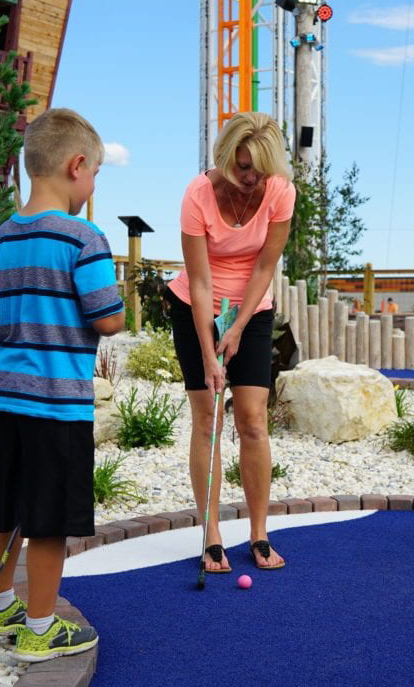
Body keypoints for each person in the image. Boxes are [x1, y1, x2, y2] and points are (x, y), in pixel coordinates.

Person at [0, 108, 123, 662]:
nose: (92, 188)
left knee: (7, 504)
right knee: (49, 518)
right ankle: (40, 627)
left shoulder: (2, 236)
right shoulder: (84, 237)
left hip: (7, 395)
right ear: (76, 165)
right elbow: (106, 317)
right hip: (58, 401)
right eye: (96, 176)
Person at [165, 111, 294, 573]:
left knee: (253, 420)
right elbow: (199, 282)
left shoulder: (279, 191)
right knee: (207, 419)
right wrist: (208, 351)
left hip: (252, 310)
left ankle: (259, 533)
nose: (249, 176)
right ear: (225, 157)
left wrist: (237, 329)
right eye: (241, 166)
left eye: (258, 168)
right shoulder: (198, 194)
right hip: (194, 306)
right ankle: (212, 534)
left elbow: (265, 267)